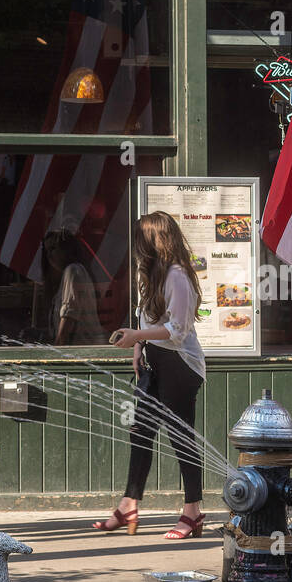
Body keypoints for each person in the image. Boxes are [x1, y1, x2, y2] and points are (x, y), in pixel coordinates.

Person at [96, 211, 207, 540]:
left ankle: (193, 512)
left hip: (180, 365)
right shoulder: (154, 273)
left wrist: (138, 336)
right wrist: (137, 346)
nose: (136, 247)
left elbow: (178, 330)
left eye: (141, 240)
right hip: (155, 361)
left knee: (181, 436)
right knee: (140, 430)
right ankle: (129, 503)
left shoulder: (177, 275)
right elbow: (147, 318)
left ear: (155, 241)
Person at [42, 227, 104, 346]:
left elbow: (69, 317)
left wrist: (57, 350)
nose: (49, 255)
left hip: (82, 351)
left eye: (53, 248)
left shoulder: (73, 271)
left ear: (66, 250)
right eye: (47, 251)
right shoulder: (68, 274)